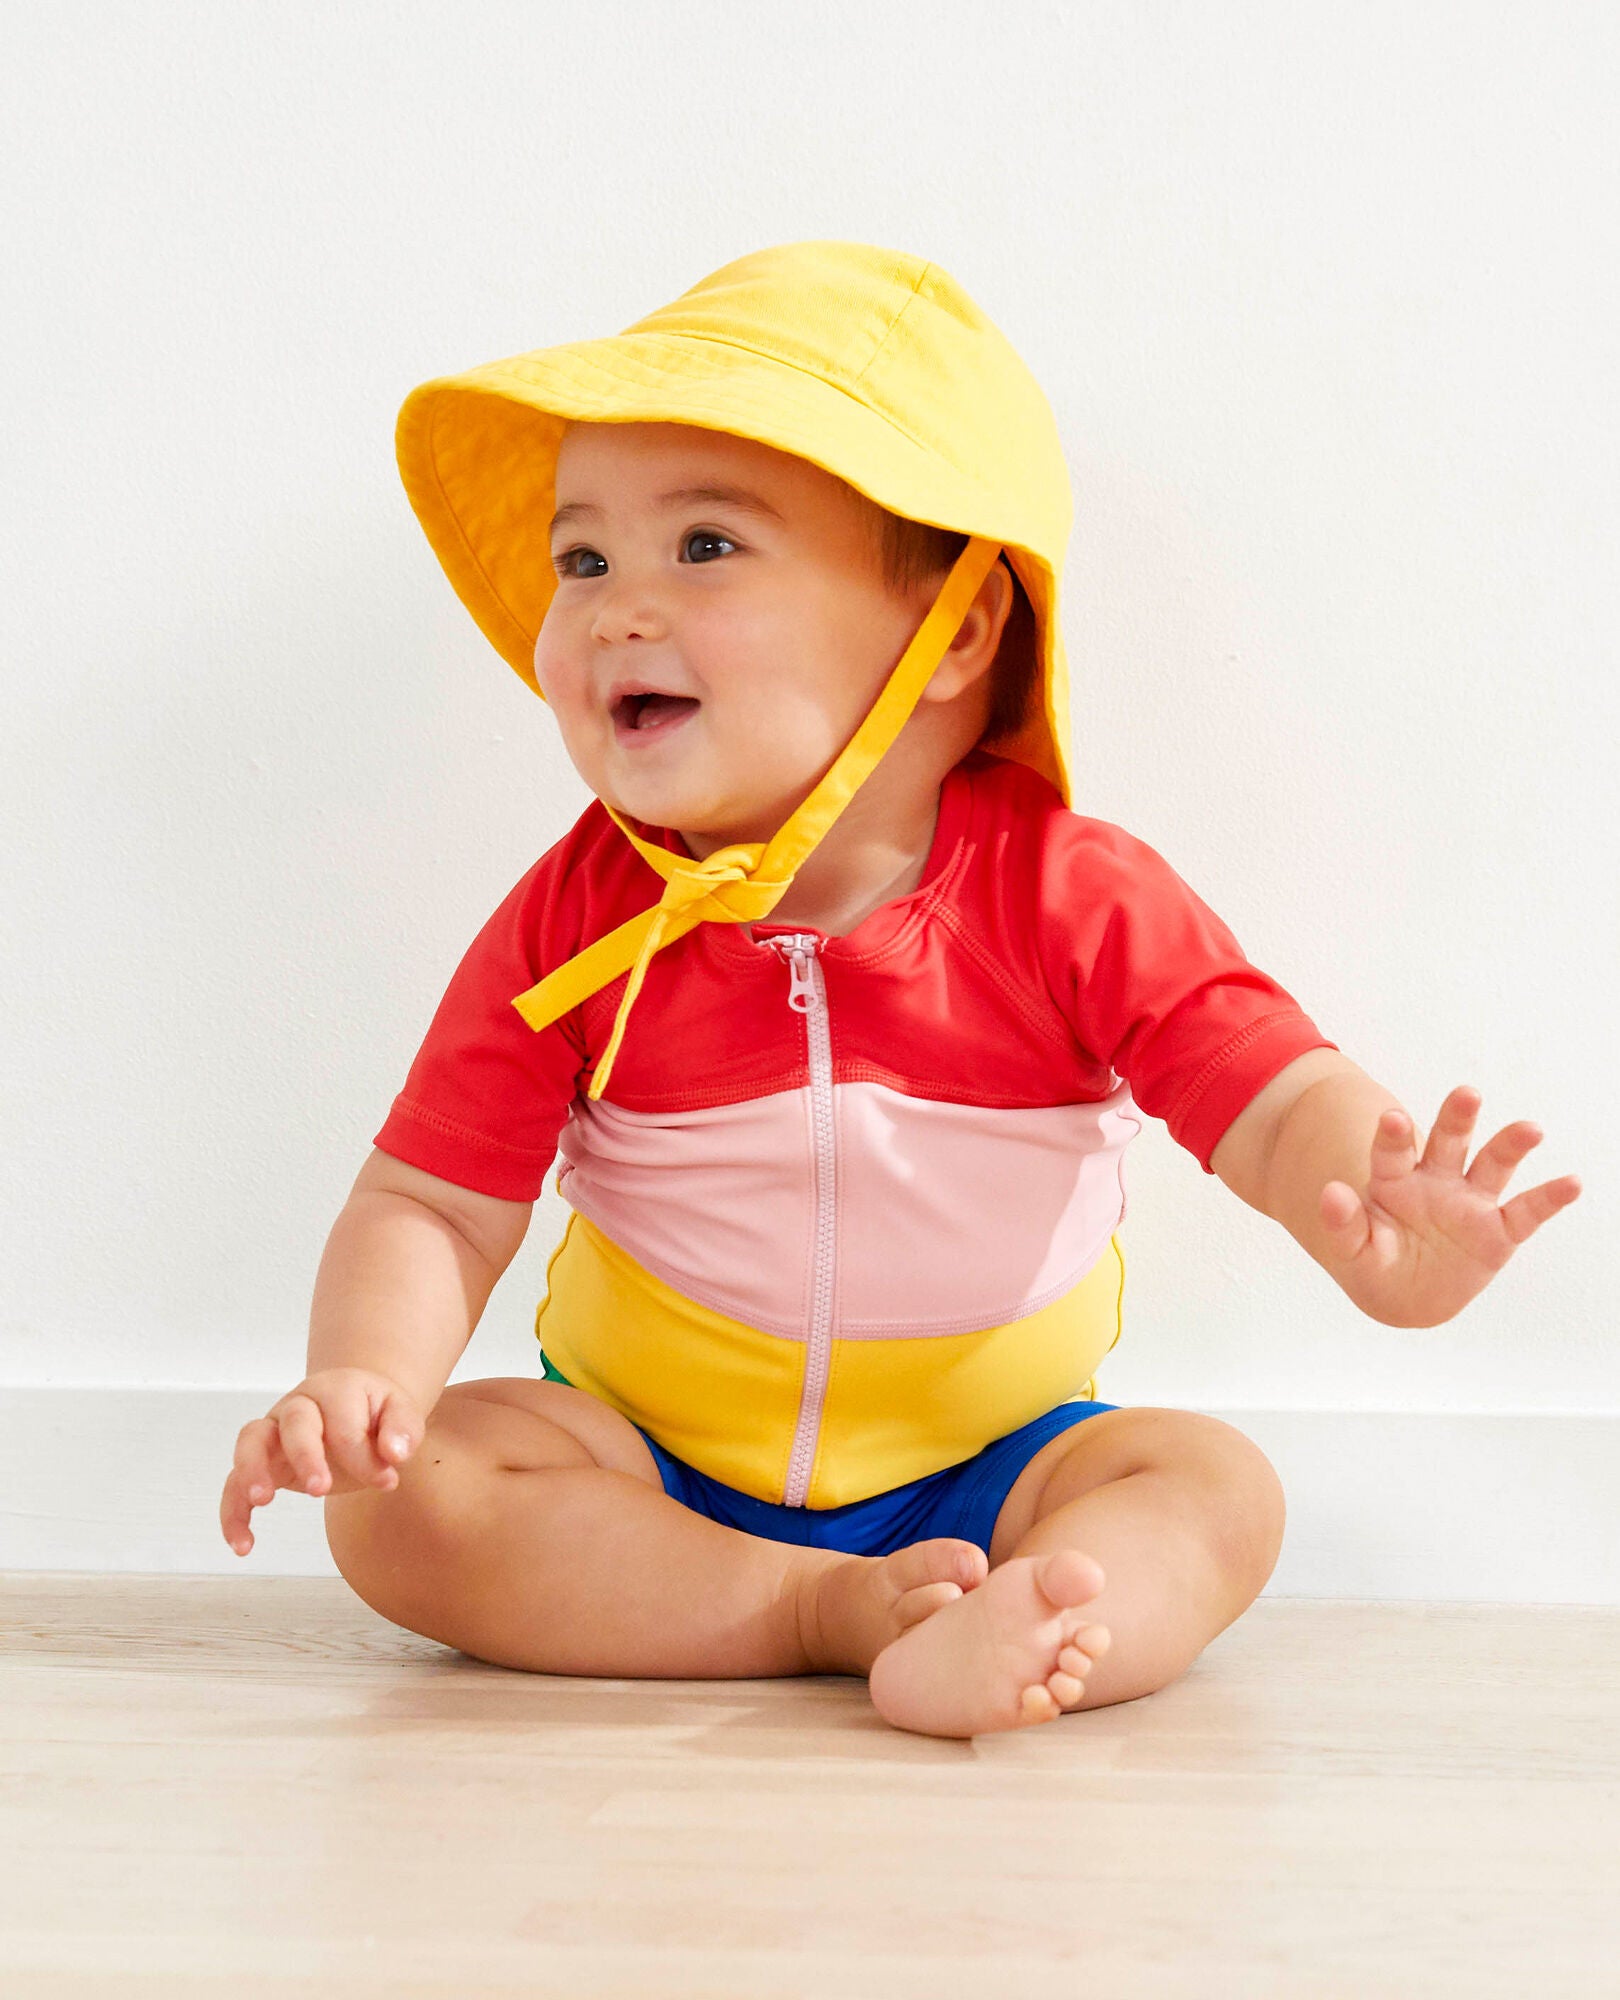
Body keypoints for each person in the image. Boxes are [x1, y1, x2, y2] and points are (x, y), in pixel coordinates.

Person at [218, 241, 1582, 1740]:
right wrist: (363, 1382)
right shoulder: (576, 920)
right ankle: (804, 1611)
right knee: (410, 1505)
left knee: (1211, 1490)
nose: (613, 608)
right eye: (584, 559)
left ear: (961, 635)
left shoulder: (1067, 894)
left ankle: (1022, 1613)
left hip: (998, 1461)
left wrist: (1376, 1210)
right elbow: (433, 1202)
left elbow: (1271, 1098)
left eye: (707, 548)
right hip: (647, 1462)